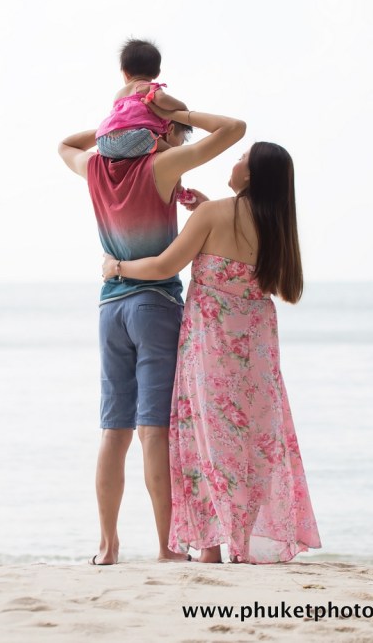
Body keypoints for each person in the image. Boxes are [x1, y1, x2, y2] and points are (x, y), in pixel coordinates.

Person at [101, 140, 321, 564]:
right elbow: (276, 284)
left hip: (212, 346)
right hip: (257, 347)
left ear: (251, 174)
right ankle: (242, 542)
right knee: (253, 440)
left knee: (206, 439)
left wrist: (118, 268)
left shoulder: (213, 215)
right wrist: (205, 212)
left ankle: (210, 548)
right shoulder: (276, 225)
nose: (235, 162)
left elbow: (164, 265)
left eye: (242, 157)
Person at [58, 103, 246, 565]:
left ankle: (107, 546)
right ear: (160, 133)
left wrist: (115, 128)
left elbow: (65, 145)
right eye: (174, 136)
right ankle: (167, 547)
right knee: (153, 431)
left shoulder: (95, 168)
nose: (177, 143)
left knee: (113, 431)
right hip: (155, 305)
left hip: (110, 308)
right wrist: (161, 125)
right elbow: (232, 131)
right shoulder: (162, 166)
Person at [95, 39, 189, 161]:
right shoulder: (148, 87)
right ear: (157, 73)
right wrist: (182, 106)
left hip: (104, 141)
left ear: (126, 73)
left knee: (137, 144)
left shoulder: (119, 94)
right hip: (136, 138)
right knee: (169, 151)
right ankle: (173, 155)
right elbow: (161, 99)